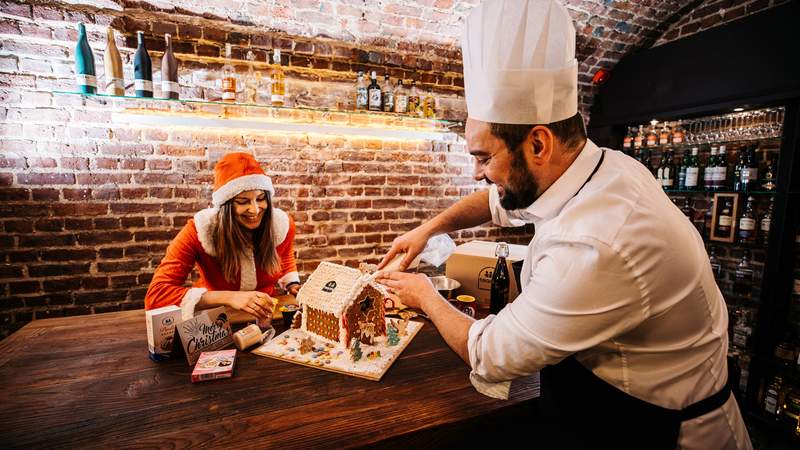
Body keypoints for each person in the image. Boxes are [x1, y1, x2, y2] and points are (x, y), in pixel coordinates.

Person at [375, 1, 751, 449]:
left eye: (483, 156)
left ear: (538, 142)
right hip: (606, 404)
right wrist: (428, 229)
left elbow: (491, 354)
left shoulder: (597, 243)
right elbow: (496, 203)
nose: (477, 173)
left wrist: (424, 294)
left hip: (665, 430)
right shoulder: (601, 167)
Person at [145, 152, 301, 323]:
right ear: (225, 205)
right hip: (214, 320)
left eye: (261, 198)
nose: (255, 210)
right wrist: (229, 297)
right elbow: (156, 295)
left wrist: (292, 284)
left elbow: (284, 257)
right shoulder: (199, 230)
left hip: (267, 316)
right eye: (243, 201)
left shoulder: (281, 225)